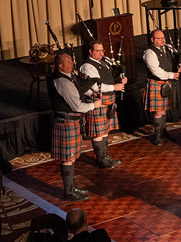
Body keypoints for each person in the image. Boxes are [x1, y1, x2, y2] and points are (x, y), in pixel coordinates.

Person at [49, 52, 97, 202]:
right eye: (68, 62)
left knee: (71, 157)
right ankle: (68, 191)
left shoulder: (70, 77)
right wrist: (94, 105)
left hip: (71, 122)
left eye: (71, 61)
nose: (72, 64)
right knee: (68, 158)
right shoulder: (62, 81)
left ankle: (72, 187)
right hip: (66, 123)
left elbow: (80, 92)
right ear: (60, 66)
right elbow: (77, 106)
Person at [78, 40, 128, 170]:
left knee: (105, 130)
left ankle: (106, 157)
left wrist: (119, 79)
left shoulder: (103, 62)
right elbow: (96, 86)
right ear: (91, 51)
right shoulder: (87, 67)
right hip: (98, 100)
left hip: (108, 99)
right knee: (98, 132)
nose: (101, 53)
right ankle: (101, 160)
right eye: (98, 51)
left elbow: (108, 77)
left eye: (102, 50)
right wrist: (114, 87)